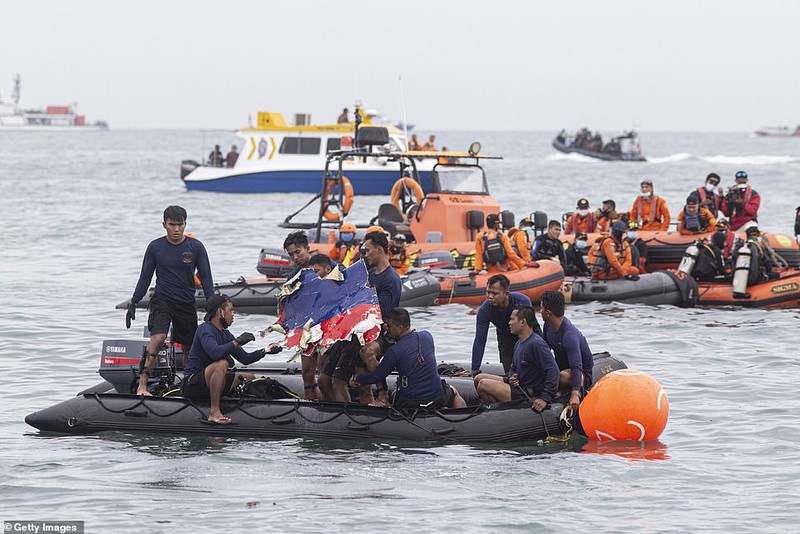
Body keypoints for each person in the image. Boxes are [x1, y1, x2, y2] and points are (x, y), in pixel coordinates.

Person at [128, 206, 214, 396]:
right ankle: (142, 385)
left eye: (180, 225)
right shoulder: (155, 247)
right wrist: (134, 302)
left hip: (186, 302)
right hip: (162, 300)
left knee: (189, 346)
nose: (176, 229)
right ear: (164, 225)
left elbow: (206, 278)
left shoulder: (196, 247)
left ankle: (188, 384)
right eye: (172, 225)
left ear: (185, 224)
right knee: (157, 339)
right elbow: (145, 277)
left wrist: (213, 305)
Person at [322, 231, 402, 403]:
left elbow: (381, 312)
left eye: (367, 250)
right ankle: (339, 417)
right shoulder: (369, 273)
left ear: (379, 250)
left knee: (359, 384)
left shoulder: (391, 280)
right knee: (329, 380)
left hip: (377, 332)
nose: (364, 255)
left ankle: (382, 394)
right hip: (356, 331)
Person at [181, 295, 281, 424]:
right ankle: (214, 412)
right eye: (231, 310)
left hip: (209, 380)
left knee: (249, 377)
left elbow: (245, 358)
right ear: (220, 312)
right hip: (192, 383)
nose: (233, 314)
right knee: (222, 364)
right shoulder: (205, 329)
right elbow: (215, 353)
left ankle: (237, 405)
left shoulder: (225, 334)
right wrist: (237, 341)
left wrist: (265, 351)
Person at [352, 308, 466, 409]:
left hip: (410, 402)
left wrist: (357, 378)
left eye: (390, 326)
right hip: (436, 397)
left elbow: (376, 376)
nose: (387, 329)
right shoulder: (427, 336)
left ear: (400, 328)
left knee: (394, 395)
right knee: (453, 391)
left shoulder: (394, 351)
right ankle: (461, 422)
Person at [473, 306, 558, 412]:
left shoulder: (537, 344)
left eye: (512, 319)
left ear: (523, 322)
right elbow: (513, 369)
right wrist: (512, 376)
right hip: (517, 386)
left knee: (483, 384)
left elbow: (553, 371)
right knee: (478, 378)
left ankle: (492, 413)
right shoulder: (519, 343)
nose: (509, 323)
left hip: (528, 393)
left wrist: (545, 398)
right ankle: (497, 409)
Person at [470, 274, 542, 375]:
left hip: (527, 334)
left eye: (495, 293)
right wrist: (475, 369)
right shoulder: (484, 311)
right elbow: (480, 340)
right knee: (510, 373)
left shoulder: (522, 301)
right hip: (505, 336)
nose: (490, 297)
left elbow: (531, 329)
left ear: (506, 294)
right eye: (488, 292)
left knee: (532, 366)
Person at [539, 291, 593, 413]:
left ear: (548, 313)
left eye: (542, 308)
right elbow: (544, 351)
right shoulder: (547, 326)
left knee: (562, 376)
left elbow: (577, 367)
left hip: (582, 373)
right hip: (561, 367)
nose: (540, 311)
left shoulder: (569, 335)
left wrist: (575, 394)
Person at [732, 226, 774, 298]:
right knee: (775, 275)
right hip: (755, 277)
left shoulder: (743, 246)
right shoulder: (756, 247)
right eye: (757, 236)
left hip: (743, 277)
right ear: (753, 235)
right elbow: (766, 262)